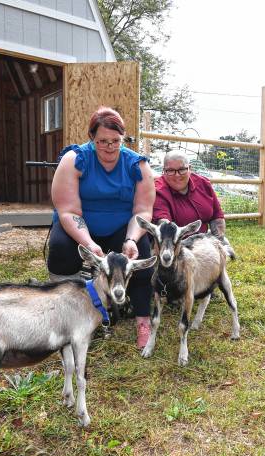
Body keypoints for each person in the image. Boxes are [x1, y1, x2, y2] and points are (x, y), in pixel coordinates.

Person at [47, 106, 155, 348]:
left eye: (116, 141)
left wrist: (131, 239)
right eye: (102, 141)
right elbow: (68, 211)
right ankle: (69, 313)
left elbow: (142, 211)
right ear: (91, 138)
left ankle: (142, 319)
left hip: (121, 226)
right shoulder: (74, 160)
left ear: (124, 138)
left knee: (143, 252)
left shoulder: (138, 166)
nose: (109, 147)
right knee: (61, 248)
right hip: (80, 225)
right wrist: (88, 243)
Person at [152, 150, 230, 242]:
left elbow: (217, 216)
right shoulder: (157, 190)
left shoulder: (203, 183)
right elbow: (165, 226)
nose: (177, 175)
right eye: (170, 170)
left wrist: (217, 244)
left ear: (190, 168)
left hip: (205, 242)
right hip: (175, 244)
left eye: (182, 169)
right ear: (163, 171)